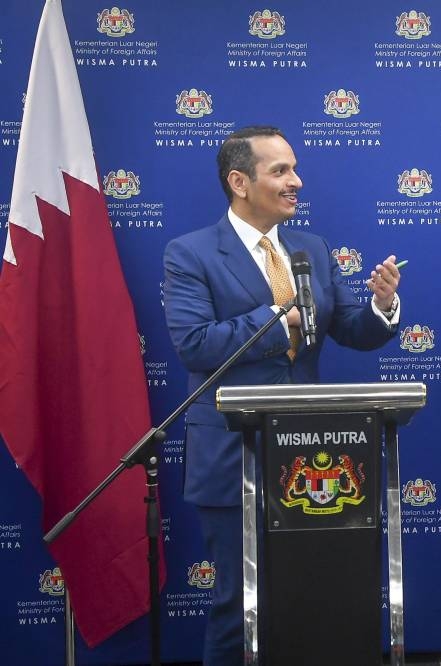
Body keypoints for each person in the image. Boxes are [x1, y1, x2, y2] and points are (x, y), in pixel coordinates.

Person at [162, 125, 400, 666]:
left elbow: (350, 330)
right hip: (231, 456)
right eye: (281, 171)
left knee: (310, 596)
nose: (297, 181)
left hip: (313, 458)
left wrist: (382, 307)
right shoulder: (191, 253)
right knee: (236, 602)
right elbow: (194, 345)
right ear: (239, 182)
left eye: (294, 169)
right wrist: (277, 319)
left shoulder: (311, 249)